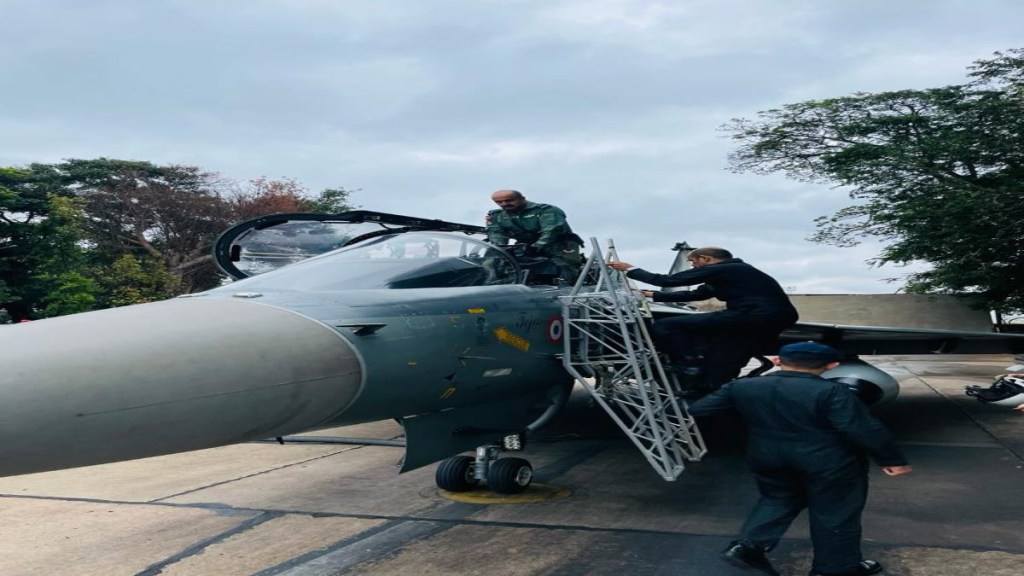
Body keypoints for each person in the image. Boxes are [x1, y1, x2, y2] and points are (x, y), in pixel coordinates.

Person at [687, 341, 913, 576]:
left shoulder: (743, 386)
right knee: (835, 512)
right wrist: (891, 459)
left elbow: (700, 409)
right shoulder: (832, 391)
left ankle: (746, 546)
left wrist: (756, 421)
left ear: (776, 360)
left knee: (778, 499)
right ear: (832, 365)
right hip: (828, 461)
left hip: (767, 455)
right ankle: (835, 569)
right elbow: (861, 428)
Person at [608, 247, 798, 387]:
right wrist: (651, 295)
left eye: (693, 262)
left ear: (705, 259)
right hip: (773, 317)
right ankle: (711, 385)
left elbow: (668, 280)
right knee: (725, 354)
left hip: (753, 314)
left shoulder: (725, 268)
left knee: (666, 326)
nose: (693, 266)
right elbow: (696, 294)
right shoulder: (734, 272)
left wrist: (629, 269)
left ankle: (689, 363)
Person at [485, 189, 582, 283]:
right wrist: (501, 248)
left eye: (509, 200)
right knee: (491, 263)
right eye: (499, 202)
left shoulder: (546, 210)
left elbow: (552, 230)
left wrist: (537, 246)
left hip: (558, 245)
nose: (504, 204)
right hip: (525, 245)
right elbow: (495, 232)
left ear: (522, 199)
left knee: (565, 268)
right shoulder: (497, 215)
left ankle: (568, 286)